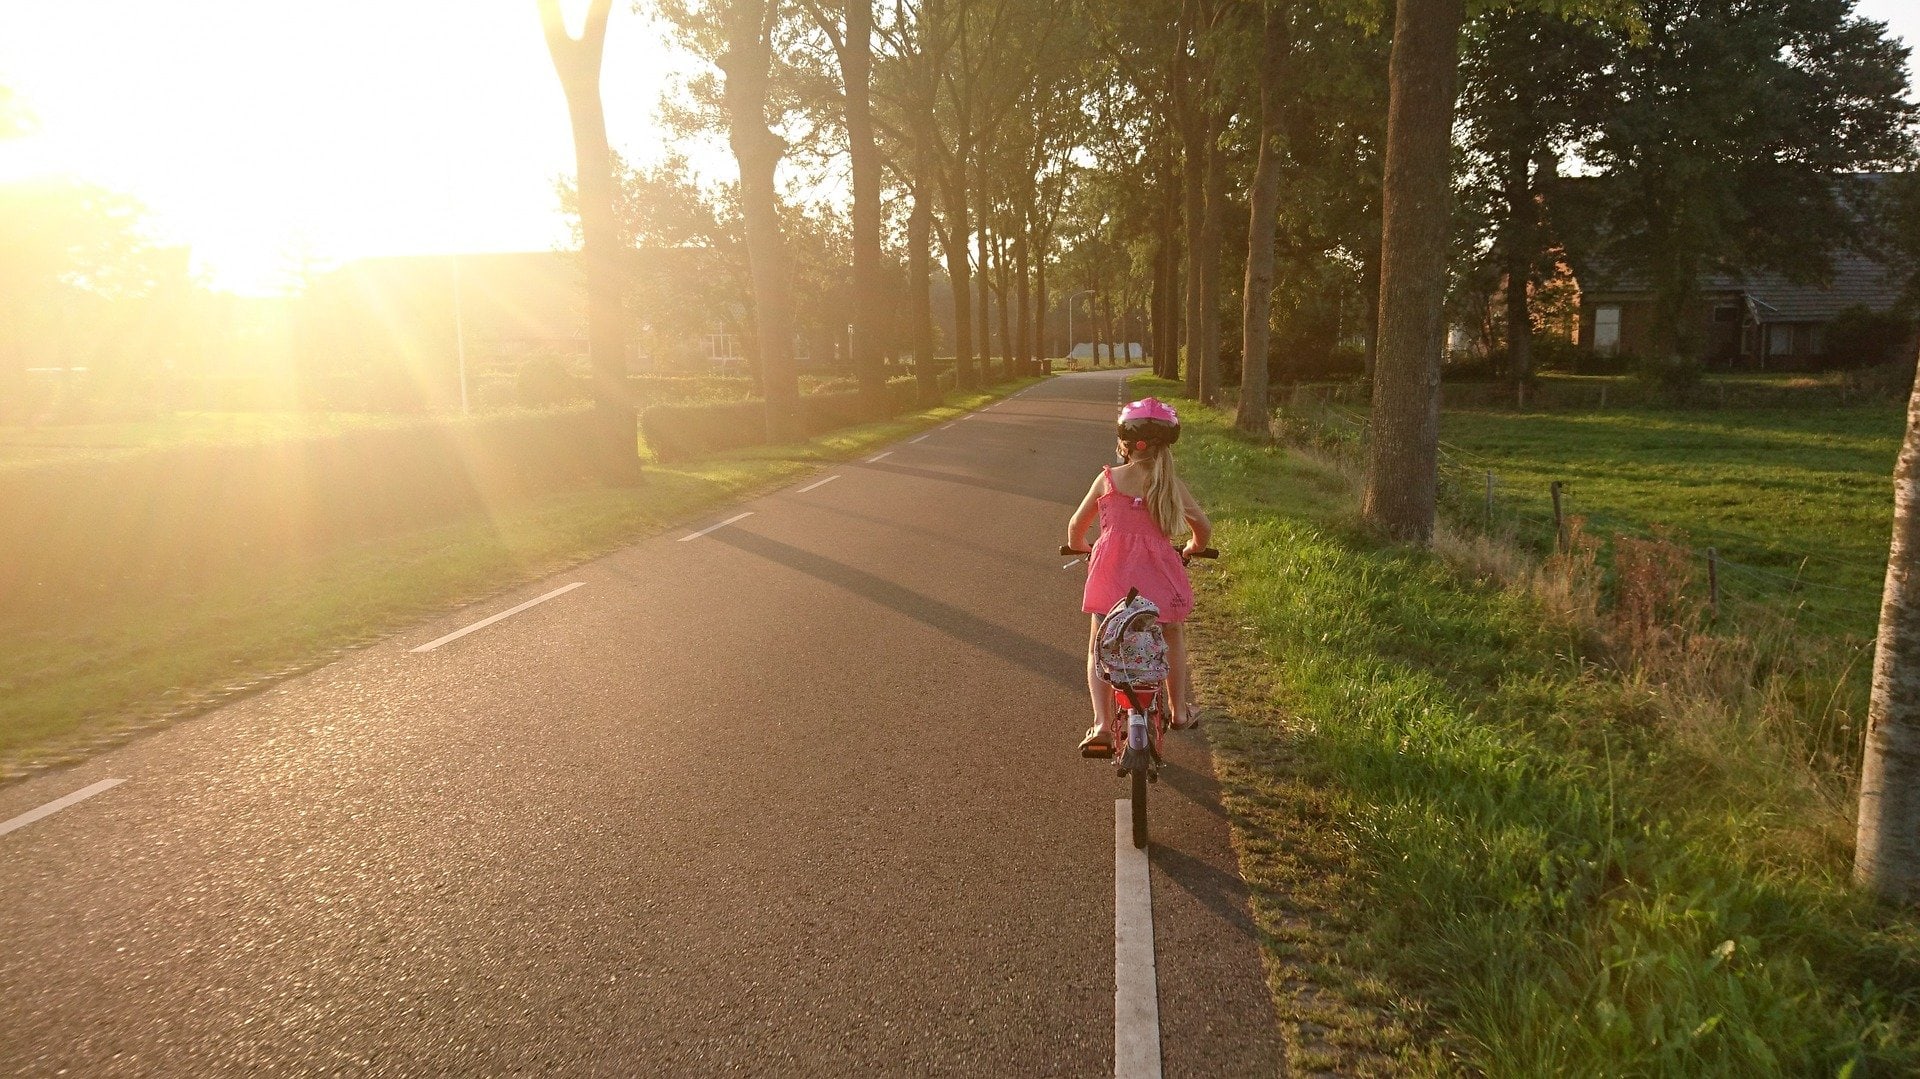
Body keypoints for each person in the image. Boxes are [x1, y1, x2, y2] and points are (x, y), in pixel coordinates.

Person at [1066, 397, 1212, 752]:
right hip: (1159, 579)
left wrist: (1085, 549)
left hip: (1110, 578)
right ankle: (1178, 711)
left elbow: (1075, 528)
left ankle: (1101, 724)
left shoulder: (1108, 480)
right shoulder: (1171, 485)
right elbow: (1202, 528)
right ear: (1167, 447)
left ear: (1125, 445)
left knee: (1098, 643)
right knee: (1172, 632)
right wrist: (1193, 547)